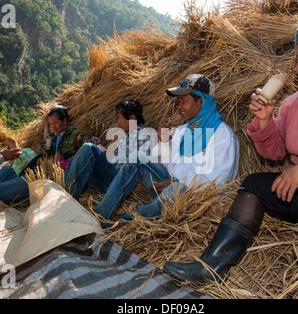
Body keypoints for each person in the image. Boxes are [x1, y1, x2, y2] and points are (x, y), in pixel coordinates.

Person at [162, 18, 298, 285]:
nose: (297, 68)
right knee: (254, 183)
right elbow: (275, 152)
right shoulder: (294, 103)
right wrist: (266, 121)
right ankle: (211, 266)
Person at [94, 74, 239, 224]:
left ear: (200, 101)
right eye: (178, 101)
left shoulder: (221, 135)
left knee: (174, 190)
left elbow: (219, 183)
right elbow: (168, 163)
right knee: (138, 157)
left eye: (183, 101)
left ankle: (127, 219)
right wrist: (164, 142)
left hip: (198, 199)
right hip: (171, 185)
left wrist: (178, 182)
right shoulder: (185, 130)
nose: (179, 106)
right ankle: (100, 215)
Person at [64, 99, 151, 200]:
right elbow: (117, 160)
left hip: (119, 182)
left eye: (119, 118)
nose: (118, 122)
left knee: (88, 148)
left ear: (132, 118)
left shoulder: (143, 136)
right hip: (113, 176)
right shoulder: (126, 136)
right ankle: (63, 190)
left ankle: (69, 196)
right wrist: (99, 148)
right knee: (77, 158)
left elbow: (134, 169)